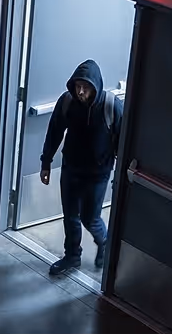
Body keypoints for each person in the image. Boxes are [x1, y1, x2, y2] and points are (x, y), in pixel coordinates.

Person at [40, 59, 124, 276]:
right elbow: (54, 132)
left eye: (85, 87)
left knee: (90, 217)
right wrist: (46, 162)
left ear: (95, 87)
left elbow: (125, 141)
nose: (80, 92)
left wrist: (122, 175)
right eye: (77, 86)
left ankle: (104, 241)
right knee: (70, 215)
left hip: (98, 174)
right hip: (71, 169)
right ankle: (72, 256)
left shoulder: (110, 106)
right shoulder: (67, 102)